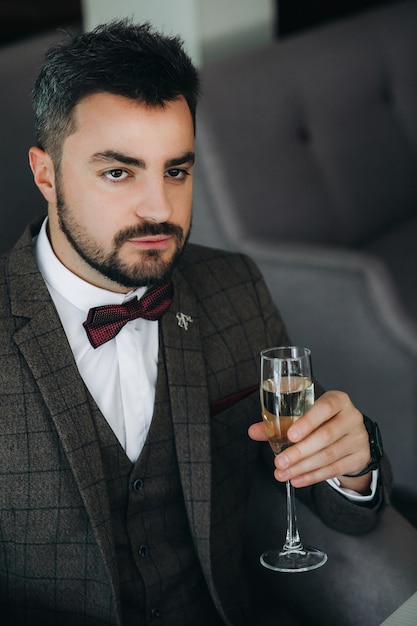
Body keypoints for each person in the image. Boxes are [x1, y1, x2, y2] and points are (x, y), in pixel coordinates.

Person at [0, 20, 389, 626]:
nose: (160, 208)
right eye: (118, 172)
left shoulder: (234, 287)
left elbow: (335, 508)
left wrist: (352, 464)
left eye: (176, 171)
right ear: (45, 174)